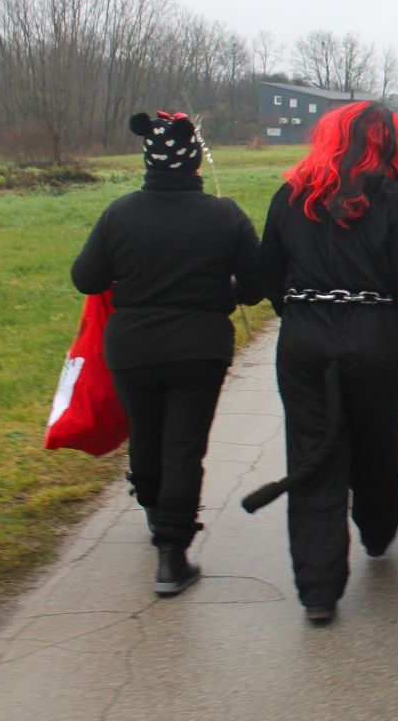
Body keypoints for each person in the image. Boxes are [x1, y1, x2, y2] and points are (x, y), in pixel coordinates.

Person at [251, 100, 398, 624]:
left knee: (312, 458)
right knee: (375, 447)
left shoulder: (291, 196)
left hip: (304, 345)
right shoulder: (396, 204)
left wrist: (302, 317)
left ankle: (318, 592)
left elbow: (268, 275)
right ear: (389, 145)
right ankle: (377, 531)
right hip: (377, 346)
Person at [71, 111, 263, 597]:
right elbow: (257, 284)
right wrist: (223, 294)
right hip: (201, 348)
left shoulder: (119, 214)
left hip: (132, 347)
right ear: (194, 160)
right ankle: (171, 555)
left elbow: (87, 279)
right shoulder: (225, 214)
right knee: (184, 446)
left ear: (148, 159)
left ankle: (157, 512)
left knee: (146, 433)